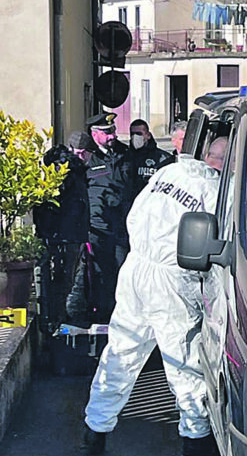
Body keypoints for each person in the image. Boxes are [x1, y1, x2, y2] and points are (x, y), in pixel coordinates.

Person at [80, 136, 229, 456]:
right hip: (172, 277)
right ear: (227, 161)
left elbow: (134, 213)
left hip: (136, 268)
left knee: (122, 349)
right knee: (182, 357)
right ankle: (195, 437)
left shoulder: (168, 172)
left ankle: (95, 428)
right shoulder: (216, 191)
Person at [65, 112, 133, 327]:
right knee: (99, 272)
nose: (112, 136)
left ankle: (121, 314)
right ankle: (102, 315)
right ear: (95, 134)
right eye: (106, 133)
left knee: (123, 271)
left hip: (122, 226)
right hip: (97, 227)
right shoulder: (87, 159)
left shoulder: (125, 154)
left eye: (113, 131)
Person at [34, 132, 93, 330]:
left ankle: (56, 317)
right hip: (65, 235)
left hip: (62, 233)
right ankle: (57, 318)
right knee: (63, 278)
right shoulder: (68, 170)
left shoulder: (66, 168)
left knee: (61, 277)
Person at [129, 118, 175, 196]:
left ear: (148, 135)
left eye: (139, 133)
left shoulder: (163, 158)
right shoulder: (126, 157)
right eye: (132, 134)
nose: (135, 137)